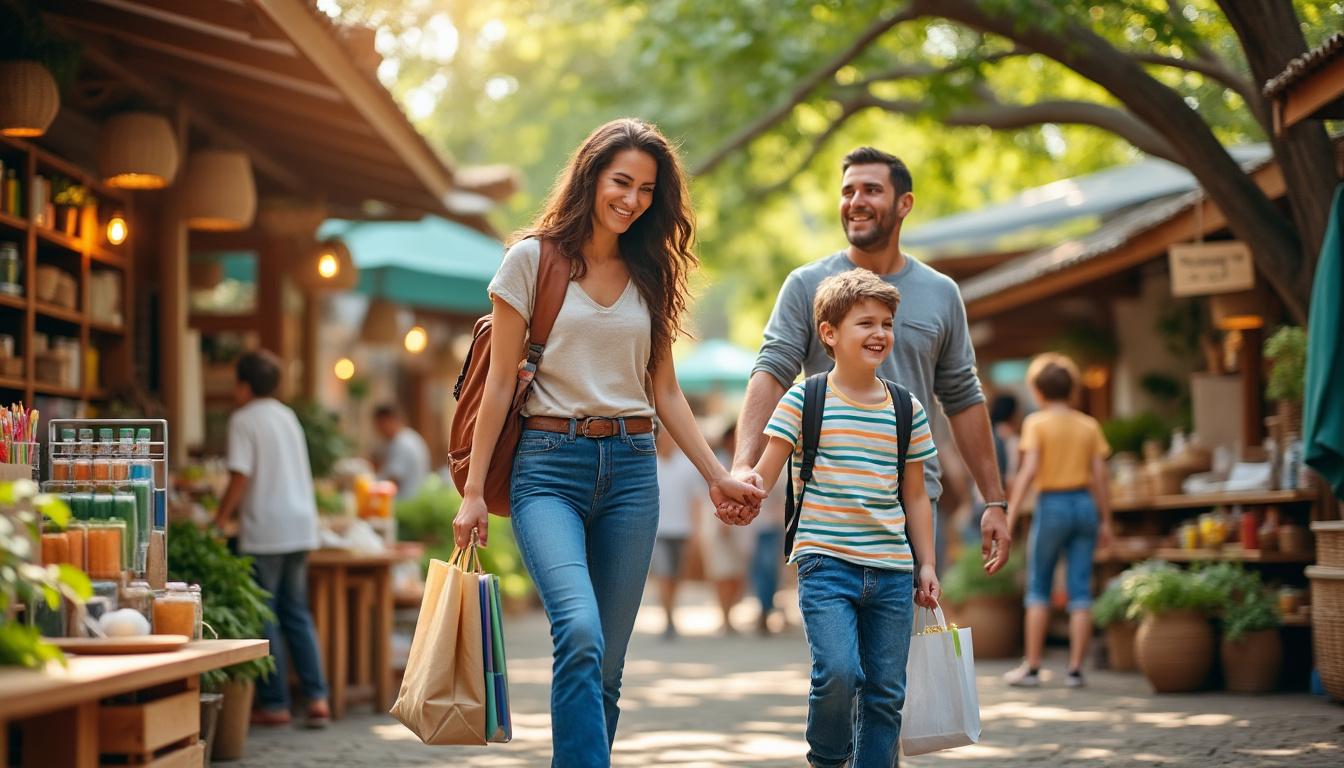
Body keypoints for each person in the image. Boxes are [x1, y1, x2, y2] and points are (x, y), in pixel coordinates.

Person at [451, 118, 763, 766]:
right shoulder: (531, 261)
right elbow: (499, 389)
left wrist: (716, 475)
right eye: (622, 181)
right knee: (580, 633)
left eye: (648, 189)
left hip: (630, 471)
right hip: (546, 469)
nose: (633, 199)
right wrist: (474, 491)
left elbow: (666, 392)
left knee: (610, 669)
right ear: (591, 176)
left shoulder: (651, 272)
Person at [727, 147, 1012, 575]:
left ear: (904, 204)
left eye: (871, 190)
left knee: (905, 641)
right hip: (828, 506)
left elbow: (962, 397)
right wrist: (743, 465)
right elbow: (772, 371)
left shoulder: (941, 293)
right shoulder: (807, 285)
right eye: (848, 191)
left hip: (911, 503)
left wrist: (993, 500)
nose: (855, 201)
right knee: (835, 640)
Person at [729, 268, 940, 768]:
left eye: (887, 323)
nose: (880, 334)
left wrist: (926, 564)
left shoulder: (906, 408)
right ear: (829, 333)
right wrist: (741, 491)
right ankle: (827, 759)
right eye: (865, 323)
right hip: (826, 564)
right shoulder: (805, 399)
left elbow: (915, 495)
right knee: (838, 674)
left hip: (891, 570)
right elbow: (765, 471)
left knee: (886, 693)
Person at [213, 350, 330, 728]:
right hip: (300, 526)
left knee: (267, 616)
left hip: (266, 528)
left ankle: (276, 703)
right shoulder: (287, 415)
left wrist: (218, 520)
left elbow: (239, 476)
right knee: (296, 613)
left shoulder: (243, 420)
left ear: (243, 385)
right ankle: (317, 699)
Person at [1003, 354, 1112, 689]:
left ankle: (1033, 668)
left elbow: (1029, 471)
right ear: (1073, 389)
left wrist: (1010, 514)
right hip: (1084, 505)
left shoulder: (1037, 423)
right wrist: (1106, 519)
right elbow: (1099, 476)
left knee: (1039, 586)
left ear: (1037, 391)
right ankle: (1076, 670)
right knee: (1080, 588)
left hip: (1052, 505)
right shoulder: (1088, 425)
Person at [652, 425, 700, 639]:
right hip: (658, 531)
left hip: (682, 530)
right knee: (664, 575)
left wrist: (695, 531)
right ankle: (667, 617)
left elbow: (695, 501)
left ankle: (672, 611)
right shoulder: (651, 464)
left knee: (676, 576)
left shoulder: (686, 465)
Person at [372, 403, 430, 499]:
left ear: (389, 421)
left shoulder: (401, 443)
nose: (378, 430)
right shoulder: (410, 437)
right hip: (414, 499)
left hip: (404, 504)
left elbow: (391, 482)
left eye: (379, 424)